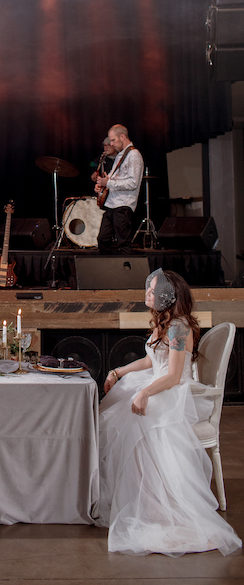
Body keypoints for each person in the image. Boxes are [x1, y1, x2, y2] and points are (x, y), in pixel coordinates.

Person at [97, 268, 242, 557]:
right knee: (114, 415)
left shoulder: (178, 327)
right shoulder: (165, 324)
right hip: (159, 383)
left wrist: (145, 392)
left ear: (165, 296)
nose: (146, 294)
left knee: (132, 422)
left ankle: (152, 505)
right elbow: (152, 361)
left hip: (172, 392)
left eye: (151, 290)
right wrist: (119, 371)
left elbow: (174, 376)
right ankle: (134, 497)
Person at [95, 124, 143, 253]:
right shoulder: (121, 155)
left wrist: (108, 183)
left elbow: (133, 183)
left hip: (123, 205)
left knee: (123, 243)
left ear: (122, 137)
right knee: (103, 239)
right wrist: (101, 184)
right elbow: (112, 177)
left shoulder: (133, 155)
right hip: (111, 204)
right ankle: (108, 269)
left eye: (113, 140)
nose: (111, 144)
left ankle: (126, 271)